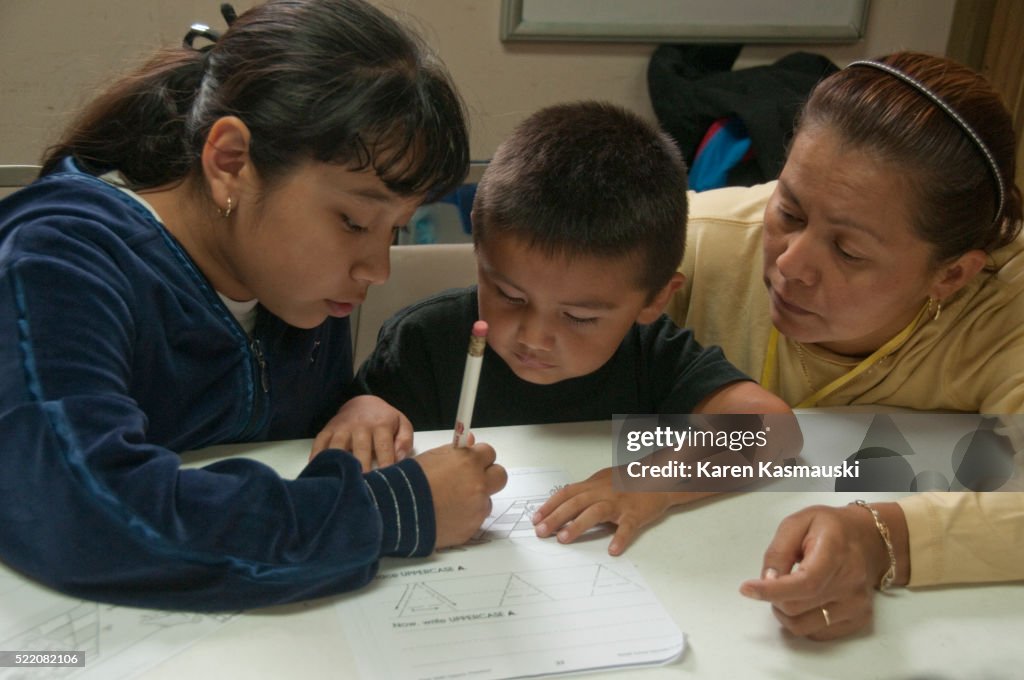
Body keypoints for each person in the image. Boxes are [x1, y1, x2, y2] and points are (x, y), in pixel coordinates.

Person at [0, 0, 508, 612]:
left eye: (395, 230)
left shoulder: (286, 279)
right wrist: (392, 511)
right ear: (231, 163)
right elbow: (80, 511)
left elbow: (269, 414)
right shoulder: (56, 259)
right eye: (352, 221)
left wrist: (354, 403)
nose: (377, 268)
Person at [321, 100, 796, 556]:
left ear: (654, 300)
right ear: (479, 254)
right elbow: (353, 436)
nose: (533, 336)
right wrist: (362, 408)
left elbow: (773, 430)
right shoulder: (425, 340)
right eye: (510, 296)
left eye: (579, 318)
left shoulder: (649, 354)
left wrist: (650, 483)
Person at [664, 51, 1024, 639]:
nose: (791, 265)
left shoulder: (1008, 306)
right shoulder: (696, 241)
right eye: (788, 210)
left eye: (850, 251)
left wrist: (880, 539)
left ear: (952, 275)